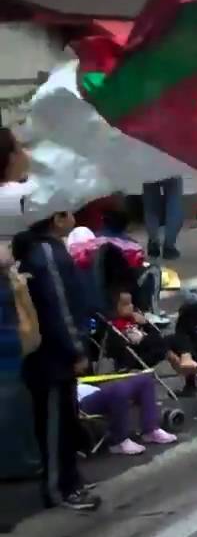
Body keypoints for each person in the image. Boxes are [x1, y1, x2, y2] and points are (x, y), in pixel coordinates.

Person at [13, 211, 101, 511]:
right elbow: (59, 306)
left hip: (57, 354)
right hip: (51, 358)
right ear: (56, 219)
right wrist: (76, 349)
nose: (73, 216)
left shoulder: (50, 249)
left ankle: (70, 481)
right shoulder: (46, 253)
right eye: (67, 212)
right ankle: (57, 490)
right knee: (54, 427)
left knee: (65, 421)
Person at [77, 372, 178, 455]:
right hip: (82, 403)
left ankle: (150, 430)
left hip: (97, 392)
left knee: (145, 380)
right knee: (118, 389)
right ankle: (118, 441)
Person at [142, 175, 184, 260]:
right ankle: (169, 247)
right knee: (174, 201)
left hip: (148, 165)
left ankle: (153, 242)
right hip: (171, 164)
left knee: (151, 203)